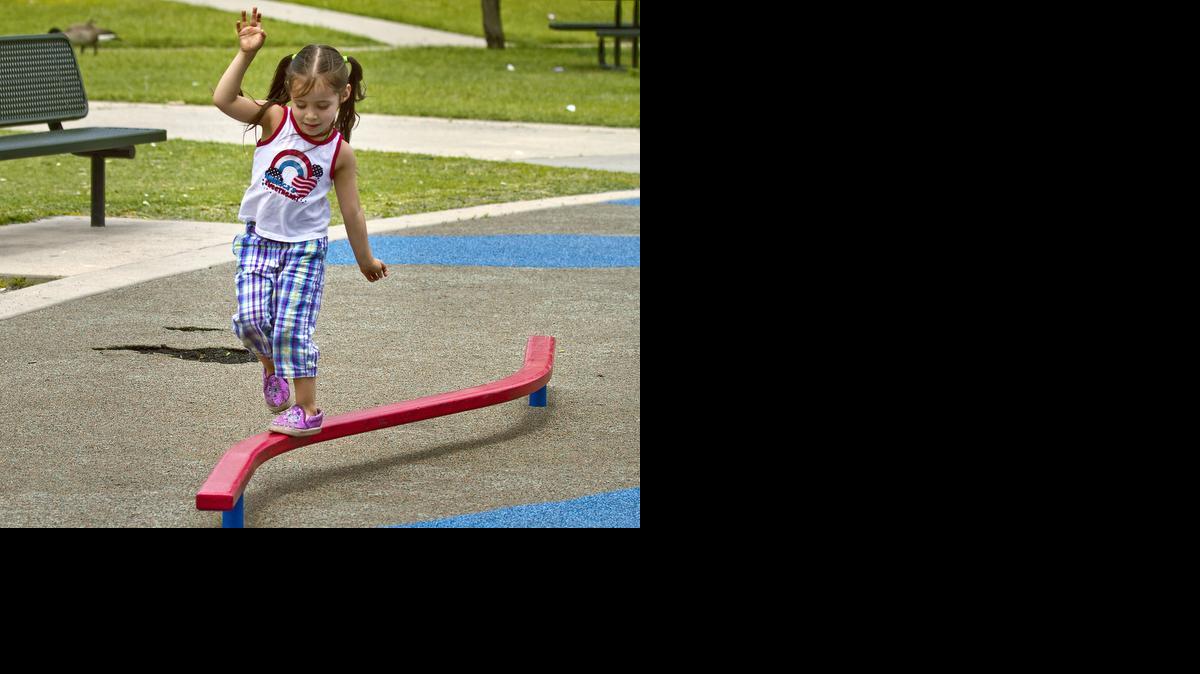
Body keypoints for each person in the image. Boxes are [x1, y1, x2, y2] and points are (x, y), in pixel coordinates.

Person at [213, 7, 388, 437]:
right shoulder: (274, 119)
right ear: (290, 96)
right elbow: (223, 100)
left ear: (344, 96)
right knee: (251, 321)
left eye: (322, 105)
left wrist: (365, 258)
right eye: (302, 103)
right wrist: (246, 54)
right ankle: (271, 367)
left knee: (293, 326)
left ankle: (308, 409)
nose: (311, 114)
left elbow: (352, 212)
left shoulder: (339, 152)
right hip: (258, 239)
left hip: (305, 248)